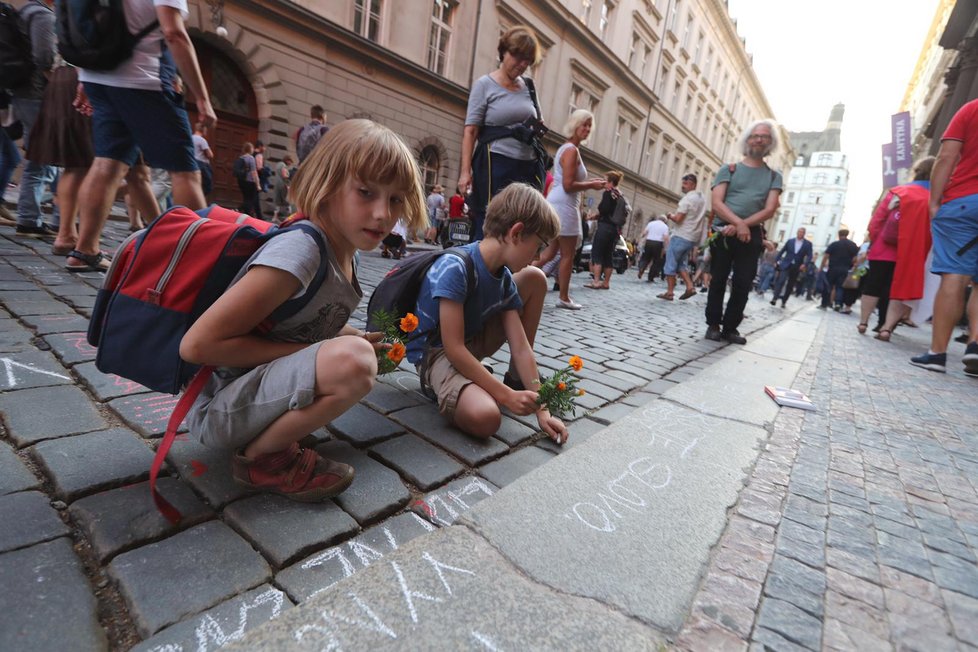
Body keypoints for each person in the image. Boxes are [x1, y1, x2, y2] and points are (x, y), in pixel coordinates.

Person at [180, 119, 427, 500]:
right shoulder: (302, 251)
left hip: (248, 398)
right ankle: (261, 459)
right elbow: (197, 346)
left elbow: (302, 326)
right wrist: (333, 353)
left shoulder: (343, 251)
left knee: (357, 354)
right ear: (327, 185)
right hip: (218, 408)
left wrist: (355, 336)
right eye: (366, 192)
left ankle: (273, 430)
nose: (382, 213)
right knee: (355, 365)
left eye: (395, 199)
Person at [408, 182, 567, 444]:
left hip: (469, 342)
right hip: (438, 354)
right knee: (486, 418)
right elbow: (453, 348)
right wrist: (505, 396)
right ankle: (445, 385)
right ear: (516, 233)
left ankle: (509, 382)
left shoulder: (503, 278)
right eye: (538, 246)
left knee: (535, 277)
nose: (538, 256)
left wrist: (543, 408)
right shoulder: (455, 266)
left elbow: (521, 347)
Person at [66, 0, 216, 272]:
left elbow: (77, 25)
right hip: (145, 81)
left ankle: (84, 250)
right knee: (184, 172)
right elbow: (174, 34)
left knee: (106, 164)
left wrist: (84, 77)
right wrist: (204, 99)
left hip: (98, 77)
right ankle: (199, 262)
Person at [458, 25, 548, 241]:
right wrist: (465, 172)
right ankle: (481, 270)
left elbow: (539, 121)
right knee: (490, 221)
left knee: (521, 223)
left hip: (526, 165)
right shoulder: (484, 85)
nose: (522, 64)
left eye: (527, 60)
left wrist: (533, 128)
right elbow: (471, 131)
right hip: (494, 163)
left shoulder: (529, 86)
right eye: (518, 57)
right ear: (504, 52)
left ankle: (510, 272)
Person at [910, 99, 978, 375]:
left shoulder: (971, 109)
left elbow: (946, 156)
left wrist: (935, 201)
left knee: (954, 276)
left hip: (964, 201)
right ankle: (975, 345)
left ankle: (937, 353)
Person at [706, 119, 783, 344]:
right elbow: (717, 203)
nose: (759, 139)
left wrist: (743, 225)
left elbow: (770, 209)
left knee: (743, 282)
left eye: (765, 136)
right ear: (747, 139)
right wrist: (737, 224)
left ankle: (730, 327)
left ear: (771, 142)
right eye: (755, 135)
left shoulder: (773, 176)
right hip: (724, 230)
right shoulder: (729, 169)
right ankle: (713, 324)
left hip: (751, 234)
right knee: (718, 279)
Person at [535, 109, 604, 310]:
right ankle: (564, 297)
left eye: (590, 125)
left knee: (549, 254)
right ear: (575, 124)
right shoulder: (571, 150)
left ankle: (515, 277)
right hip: (565, 204)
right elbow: (568, 184)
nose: (587, 129)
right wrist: (591, 184)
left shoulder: (566, 148)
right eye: (584, 124)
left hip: (558, 202)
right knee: (567, 255)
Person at [12, 0, 58, 237]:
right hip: (37, 94)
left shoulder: (27, 11)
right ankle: (29, 219)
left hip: (26, 93)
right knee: (40, 160)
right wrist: (59, 84)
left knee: (42, 158)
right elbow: (44, 58)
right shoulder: (43, 16)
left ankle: (39, 217)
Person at [660, 173, 708, 300]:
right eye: (683, 183)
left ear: (693, 184)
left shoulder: (687, 199)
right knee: (681, 263)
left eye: (686, 184)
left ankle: (669, 292)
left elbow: (679, 219)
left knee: (670, 262)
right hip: (692, 237)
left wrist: (670, 215)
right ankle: (690, 287)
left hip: (681, 235)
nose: (683, 186)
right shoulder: (701, 198)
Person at [585, 170, 625, 290]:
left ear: (611, 182)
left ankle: (596, 281)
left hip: (604, 227)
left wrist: (594, 215)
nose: (603, 183)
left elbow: (604, 209)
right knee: (608, 255)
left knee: (597, 253)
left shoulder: (608, 193)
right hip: (614, 229)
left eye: (605, 180)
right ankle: (606, 282)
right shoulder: (619, 194)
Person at [818, 229, 860, 311]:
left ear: (839, 235)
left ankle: (824, 304)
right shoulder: (852, 245)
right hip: (845, 269)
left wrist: (821, 267)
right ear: (847, 234)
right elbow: (855, 259)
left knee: (828, 286)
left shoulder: (834, 244)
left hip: (833, 268)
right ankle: (838, 303)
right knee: (840, 287)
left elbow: (826, 256)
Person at [770, 227, 813, 308]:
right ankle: (774, 298)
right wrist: (776, 261)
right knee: (781, 281)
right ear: (797, 232)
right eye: (799, 232)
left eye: (802, 232)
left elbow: (810, 256)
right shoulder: (790, 241)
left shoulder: (807, 244)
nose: (800, 233)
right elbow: (782, 251)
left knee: (790, 284)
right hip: (786, 264)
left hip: (797, 266)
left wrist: (805, 264)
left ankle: (784, 301)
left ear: (804, 234)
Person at [640, 216, 668, 286]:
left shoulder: (651, 223)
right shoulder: (665, 226)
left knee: (645, 258)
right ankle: (650, 277)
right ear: (664, 221)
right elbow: (665, 238)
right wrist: (665, 247)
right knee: (656, 261)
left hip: (649, 242)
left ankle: (642, 267)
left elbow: (644, 233)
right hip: (658, 244)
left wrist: (641, 239)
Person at [236, 142, 261, 219]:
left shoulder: (241, 157)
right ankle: (241, 210)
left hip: (241, 181)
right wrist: (258, 184)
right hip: (250, 181)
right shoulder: (251, 158)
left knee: (246, 198)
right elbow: (254, 172)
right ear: (250, 149)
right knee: (251, 199)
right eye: (252, 148)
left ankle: (244, 214)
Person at [192, 122, 214, 196]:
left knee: (194, 184)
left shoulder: (190, 138)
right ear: (203, 129)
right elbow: (210, 155)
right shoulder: (202, 140)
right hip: (202, 164)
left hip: (192, 162)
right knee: (207, 186)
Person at [272, 154, 294, 222]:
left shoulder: (278, 164)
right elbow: (284, 175)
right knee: (287, 201)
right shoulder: (283, 165)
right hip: (283, 185)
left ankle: (275, 217)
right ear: (287, 160)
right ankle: (290, 218)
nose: (290, 164)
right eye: (290, 162)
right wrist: (289, 176)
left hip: (277, 184)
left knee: (277, 201)